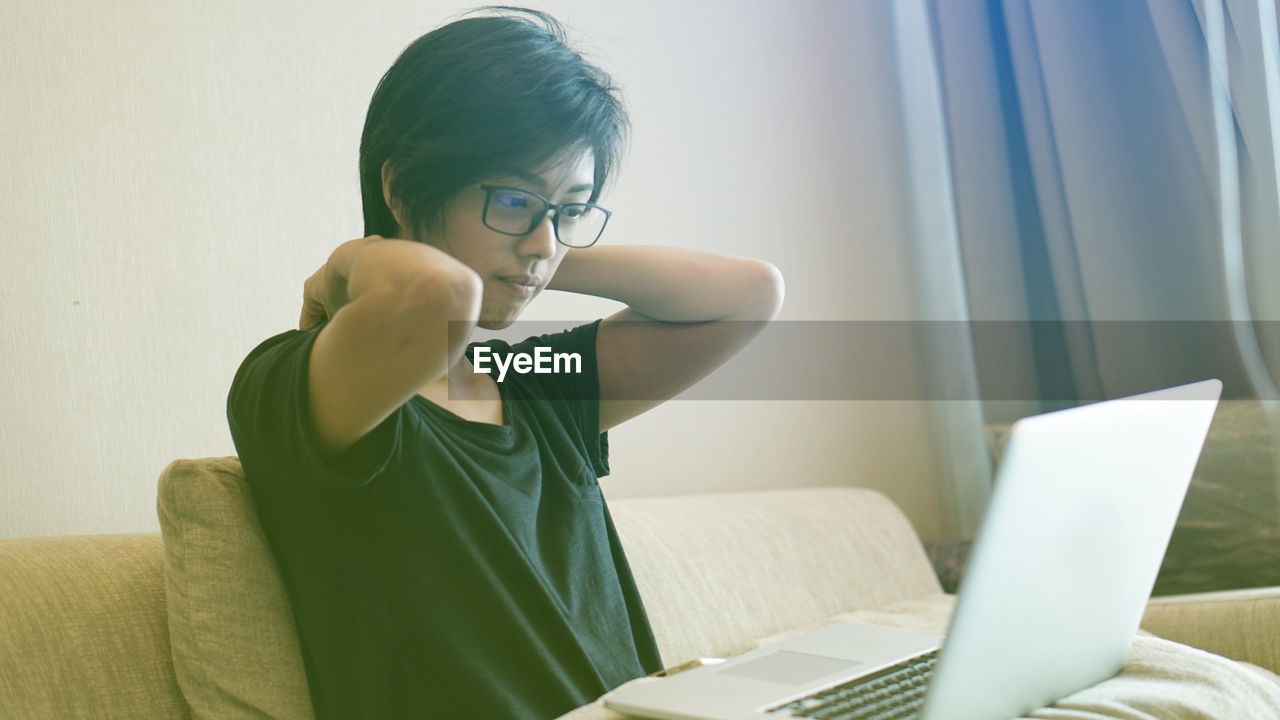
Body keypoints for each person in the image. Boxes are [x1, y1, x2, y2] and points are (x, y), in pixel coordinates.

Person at [227, 7, 784, 719]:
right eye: (515, 199)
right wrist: (347, 264)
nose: (544, 241)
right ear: (401, 189)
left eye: (571, 210)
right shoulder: (298, 386)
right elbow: (437, 294)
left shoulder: (532, 384)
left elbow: (749, 294)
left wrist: (538, 252)